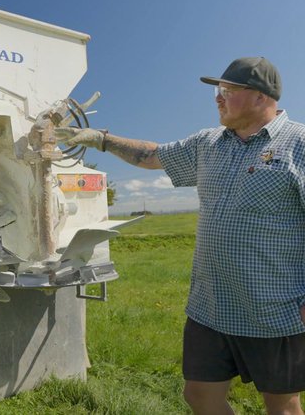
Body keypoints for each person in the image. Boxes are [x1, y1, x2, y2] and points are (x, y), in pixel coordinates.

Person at [56, 57, 305, 415]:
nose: (217, 99)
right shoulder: (209, 143)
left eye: (227, 91)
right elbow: (153, 156)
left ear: (260, 97)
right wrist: (100, 139)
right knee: (200, 396)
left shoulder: (298, 144)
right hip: (210, 308)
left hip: (274, 310)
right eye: (218, 91)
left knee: (281, 405)